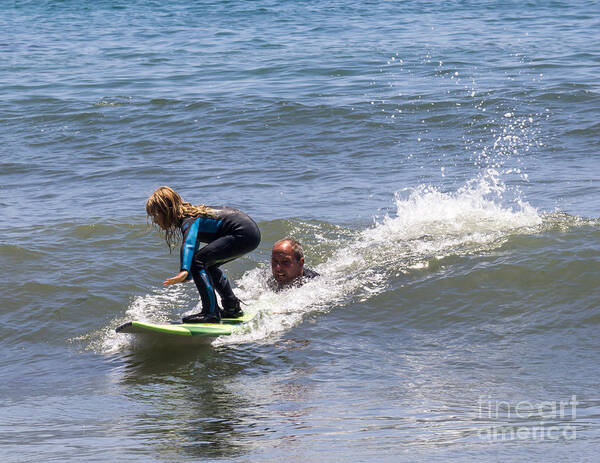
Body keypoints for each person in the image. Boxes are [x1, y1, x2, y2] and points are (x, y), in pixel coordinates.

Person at [146, 186, 261, 323]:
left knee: (198, 262)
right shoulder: (192, 217)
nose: (154, 220)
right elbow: (194, 243)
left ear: (166, 211)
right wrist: (188, 273)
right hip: (249, 234)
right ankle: (232, 308)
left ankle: (210, 312)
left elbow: (188, 243)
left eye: (155, 215)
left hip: (242, 233)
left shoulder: (188, 219)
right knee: (207, 265)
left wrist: (184, 270)